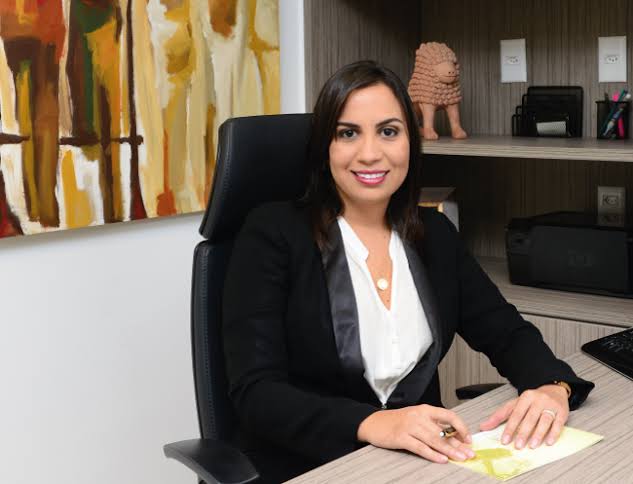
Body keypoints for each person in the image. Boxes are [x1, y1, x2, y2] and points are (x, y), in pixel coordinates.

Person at [222, 60, 594, 483]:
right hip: (312, 466)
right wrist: (373, 423)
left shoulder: (434, 234)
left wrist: (552, 386)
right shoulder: (272, 234)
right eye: (348, 133)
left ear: (410, 143)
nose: (370, 153)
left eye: (388, 131)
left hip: (420, 465)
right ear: (325, 147)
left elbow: (506, 333)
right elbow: (256, 393)